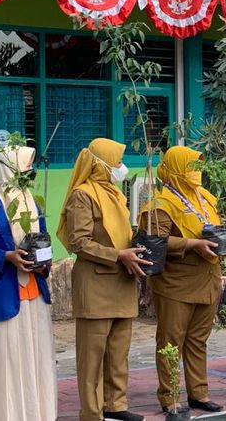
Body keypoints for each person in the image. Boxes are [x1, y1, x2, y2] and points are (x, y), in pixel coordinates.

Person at [57, 138, 150, 421]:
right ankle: (92, 413)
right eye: (117, 161)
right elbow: (78, 242)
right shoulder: (82, 195)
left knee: (118, 351)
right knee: (92, 358)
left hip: (122, 280)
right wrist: (118, 255)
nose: (121, 167)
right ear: (101, 164)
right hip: (96, 284)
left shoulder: (115, 193)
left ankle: (116, 405)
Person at [138, 146, 223, 414]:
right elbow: (153, 242)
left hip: (207, 277)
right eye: (190, 167)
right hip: (176, 282)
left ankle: (199, 393)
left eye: (198, 167)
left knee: (198, 339)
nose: (196, 173)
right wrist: (192, 244)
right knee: (170, 341)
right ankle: (170, 396)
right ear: (176, 168)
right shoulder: (161, 203)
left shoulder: (204, 197)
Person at [0, 145, 56, 421]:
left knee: (36, 357)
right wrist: (6, 256)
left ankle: (37, 413)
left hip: (34, 291)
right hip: (5, 295)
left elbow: (44, 238)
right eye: (25, 165)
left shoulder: (33, 202)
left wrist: (45, 261)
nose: (30, 170)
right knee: (10, 359)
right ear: (9, 168)